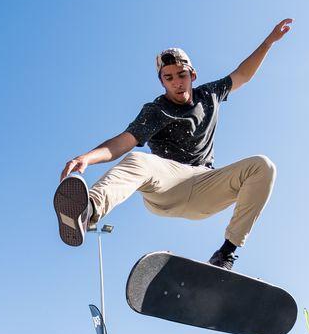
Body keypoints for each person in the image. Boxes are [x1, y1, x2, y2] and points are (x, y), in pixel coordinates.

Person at [53, 19, 292, 270]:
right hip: (167, 183)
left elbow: (242, 75)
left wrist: (268, 42)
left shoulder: (209, 94)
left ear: (192, 75)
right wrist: (87, 158)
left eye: (182, 75)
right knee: (138, 159)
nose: (177, 82)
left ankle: (226, 253)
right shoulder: (156, 110)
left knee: (262, 166)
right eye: (169, 78)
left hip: (205, 185)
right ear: (162, 82)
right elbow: (124, 141)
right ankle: (87, 210)